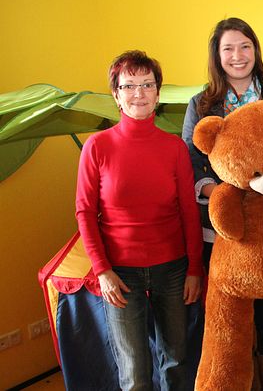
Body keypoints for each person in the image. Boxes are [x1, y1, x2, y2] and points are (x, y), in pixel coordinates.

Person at [75, 50, 203, 390]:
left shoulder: (174, 147)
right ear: (116, 94)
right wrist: (102, 270)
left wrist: (194, 269)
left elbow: (189, 211)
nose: (139, 93)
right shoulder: (97, 147)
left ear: (158, 93)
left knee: (176, 359)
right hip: (120, 272)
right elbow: (85, 213)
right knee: (134, 369)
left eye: (147, 84)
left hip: (173, 269)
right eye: (129, 85)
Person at [181, 17, 263, 391]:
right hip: (222, 234)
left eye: (245, 46)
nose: (237, 55)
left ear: (256, 49)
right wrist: (216, 193)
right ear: (217, 55)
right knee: (229, 324)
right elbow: (190, 161)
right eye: (228, 48)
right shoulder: (201, 104)